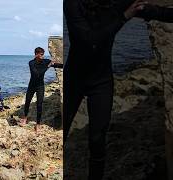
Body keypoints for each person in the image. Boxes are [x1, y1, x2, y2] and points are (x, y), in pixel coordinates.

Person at [64, 0, 173, 179]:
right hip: (73, 81)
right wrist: (124, 17)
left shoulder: (114, 3)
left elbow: (158, 13)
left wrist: (143, 10)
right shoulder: (72, 4)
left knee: (97, 140)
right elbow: (90, 40)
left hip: (101, 82)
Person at [20, 47, 63, 133]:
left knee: (39, 104)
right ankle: (25, 118)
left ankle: (38, 124)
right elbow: (37, 74)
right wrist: (48, 66)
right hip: (31, 86)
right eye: (41, 55)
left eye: (43, 54)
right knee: (27, 101)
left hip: (40, 86)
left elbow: (56, 65)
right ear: (36, 54)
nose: (43, 56)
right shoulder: (31, 63)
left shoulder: (45, 61)